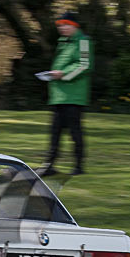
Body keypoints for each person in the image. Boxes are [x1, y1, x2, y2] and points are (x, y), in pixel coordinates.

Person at [36, 11, 93, 177]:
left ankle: (79, 166)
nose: (62, 28)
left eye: (66, 25)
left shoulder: (83, 41)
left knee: (75, 132)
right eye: (60, 25)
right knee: (55, 132)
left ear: (75, 26)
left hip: (74, 96)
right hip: (60, 95)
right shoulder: (64, 42)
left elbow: (84, 65)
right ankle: (49, 165)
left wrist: (63, 74)